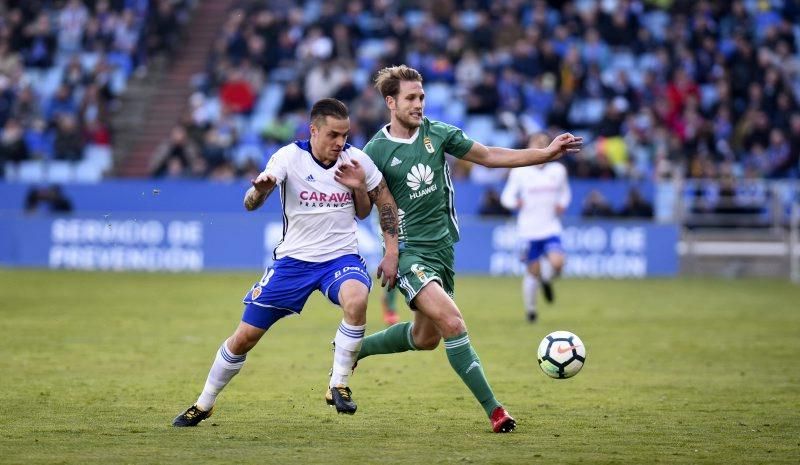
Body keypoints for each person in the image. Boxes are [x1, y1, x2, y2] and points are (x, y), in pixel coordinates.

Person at [354, 65, 582, 433]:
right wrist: (392, 251)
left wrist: (544, 154)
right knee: (453, 323)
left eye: (422, 97)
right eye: (411, 98)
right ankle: (496, 411)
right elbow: (372, 206)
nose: (418, 104)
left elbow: (489, 155)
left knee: (425, 338)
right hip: (410, 252)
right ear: (391, 102)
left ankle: (354, 349)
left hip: (442, 251)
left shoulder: (439, 134)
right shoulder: (375, 150)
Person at [173, 98, 400, 426]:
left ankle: (338, 384)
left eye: (345, 135)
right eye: (333, 135)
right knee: (244, 337)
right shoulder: (289, 157)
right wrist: (261, 191)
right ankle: (204, 402)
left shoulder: (356, 160)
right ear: (314, 130)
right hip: (293, 263)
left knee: (357, 298)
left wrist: (363, 198)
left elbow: (375, 207)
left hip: (340, 258)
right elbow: (250, 203)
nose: (340, 142)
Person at [500, 132, 571, 323]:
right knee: (532, 271)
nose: (540, 146)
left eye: (544, 143)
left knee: (557, 263)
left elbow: (565, 193)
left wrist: (562, 203)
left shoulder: (558, 171)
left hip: (550, 227)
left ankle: (546, 279)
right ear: (530, 146)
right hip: (528, 231)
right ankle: (531, 311)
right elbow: (506, 197)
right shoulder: (520, 171)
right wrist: (516, 203)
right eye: (536, 143)